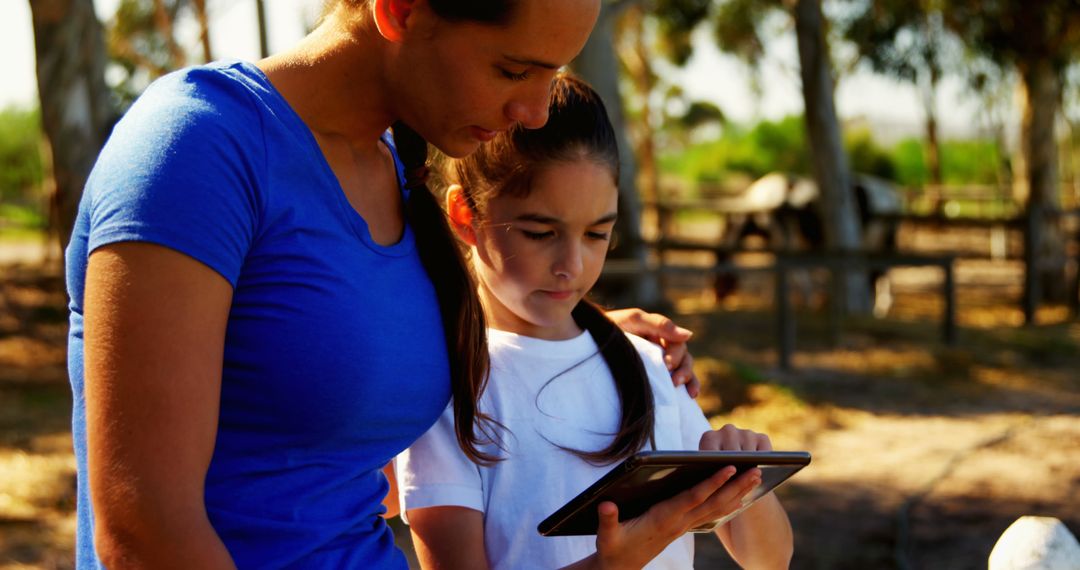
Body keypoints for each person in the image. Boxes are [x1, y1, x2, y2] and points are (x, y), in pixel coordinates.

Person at [65, 0, 701, 567]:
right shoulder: (200, 145)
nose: (534, 113)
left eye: (552, 77)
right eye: (513, 71)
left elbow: (346, 340)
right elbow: (144, 532)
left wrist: (584, 340)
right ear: (400, 10)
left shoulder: (397, 172)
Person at [395, 75, 794, 569]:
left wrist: (745, 475)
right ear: (464, 215)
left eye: (597, 233)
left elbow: (769, 559)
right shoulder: (447, 387)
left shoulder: (649, 362)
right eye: (541, 232)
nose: (573, 265)